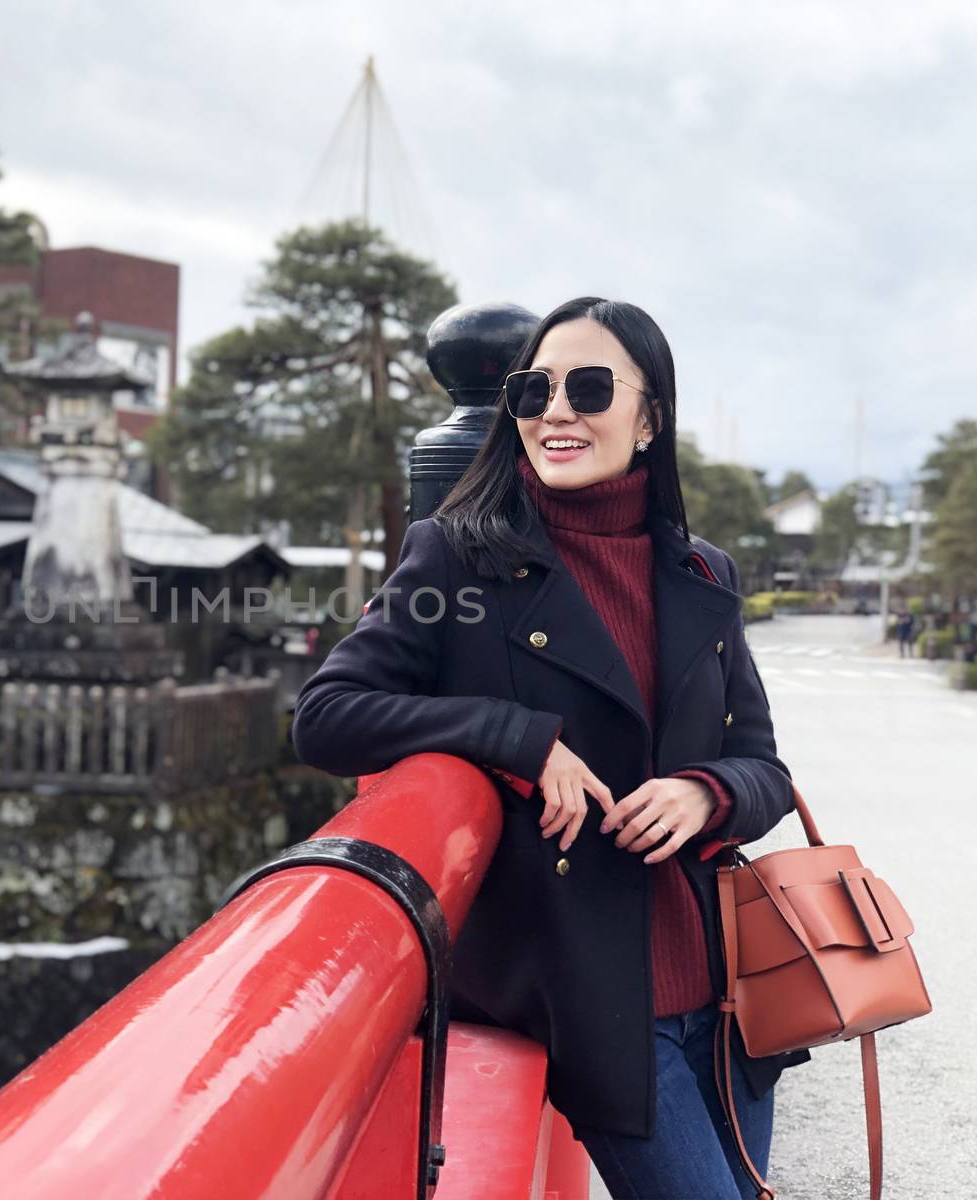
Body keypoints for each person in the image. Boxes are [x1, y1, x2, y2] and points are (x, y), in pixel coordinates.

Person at [292, 297, 808, 1198]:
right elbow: (330, 714)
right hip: (597, 996)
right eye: (534, 389)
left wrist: (706, 794)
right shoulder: (456, 557)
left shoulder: (702, 571)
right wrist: (516, 738)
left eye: (592, 387)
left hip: (725, 995)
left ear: (650, 418)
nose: (556, 410)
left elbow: (766, 769)